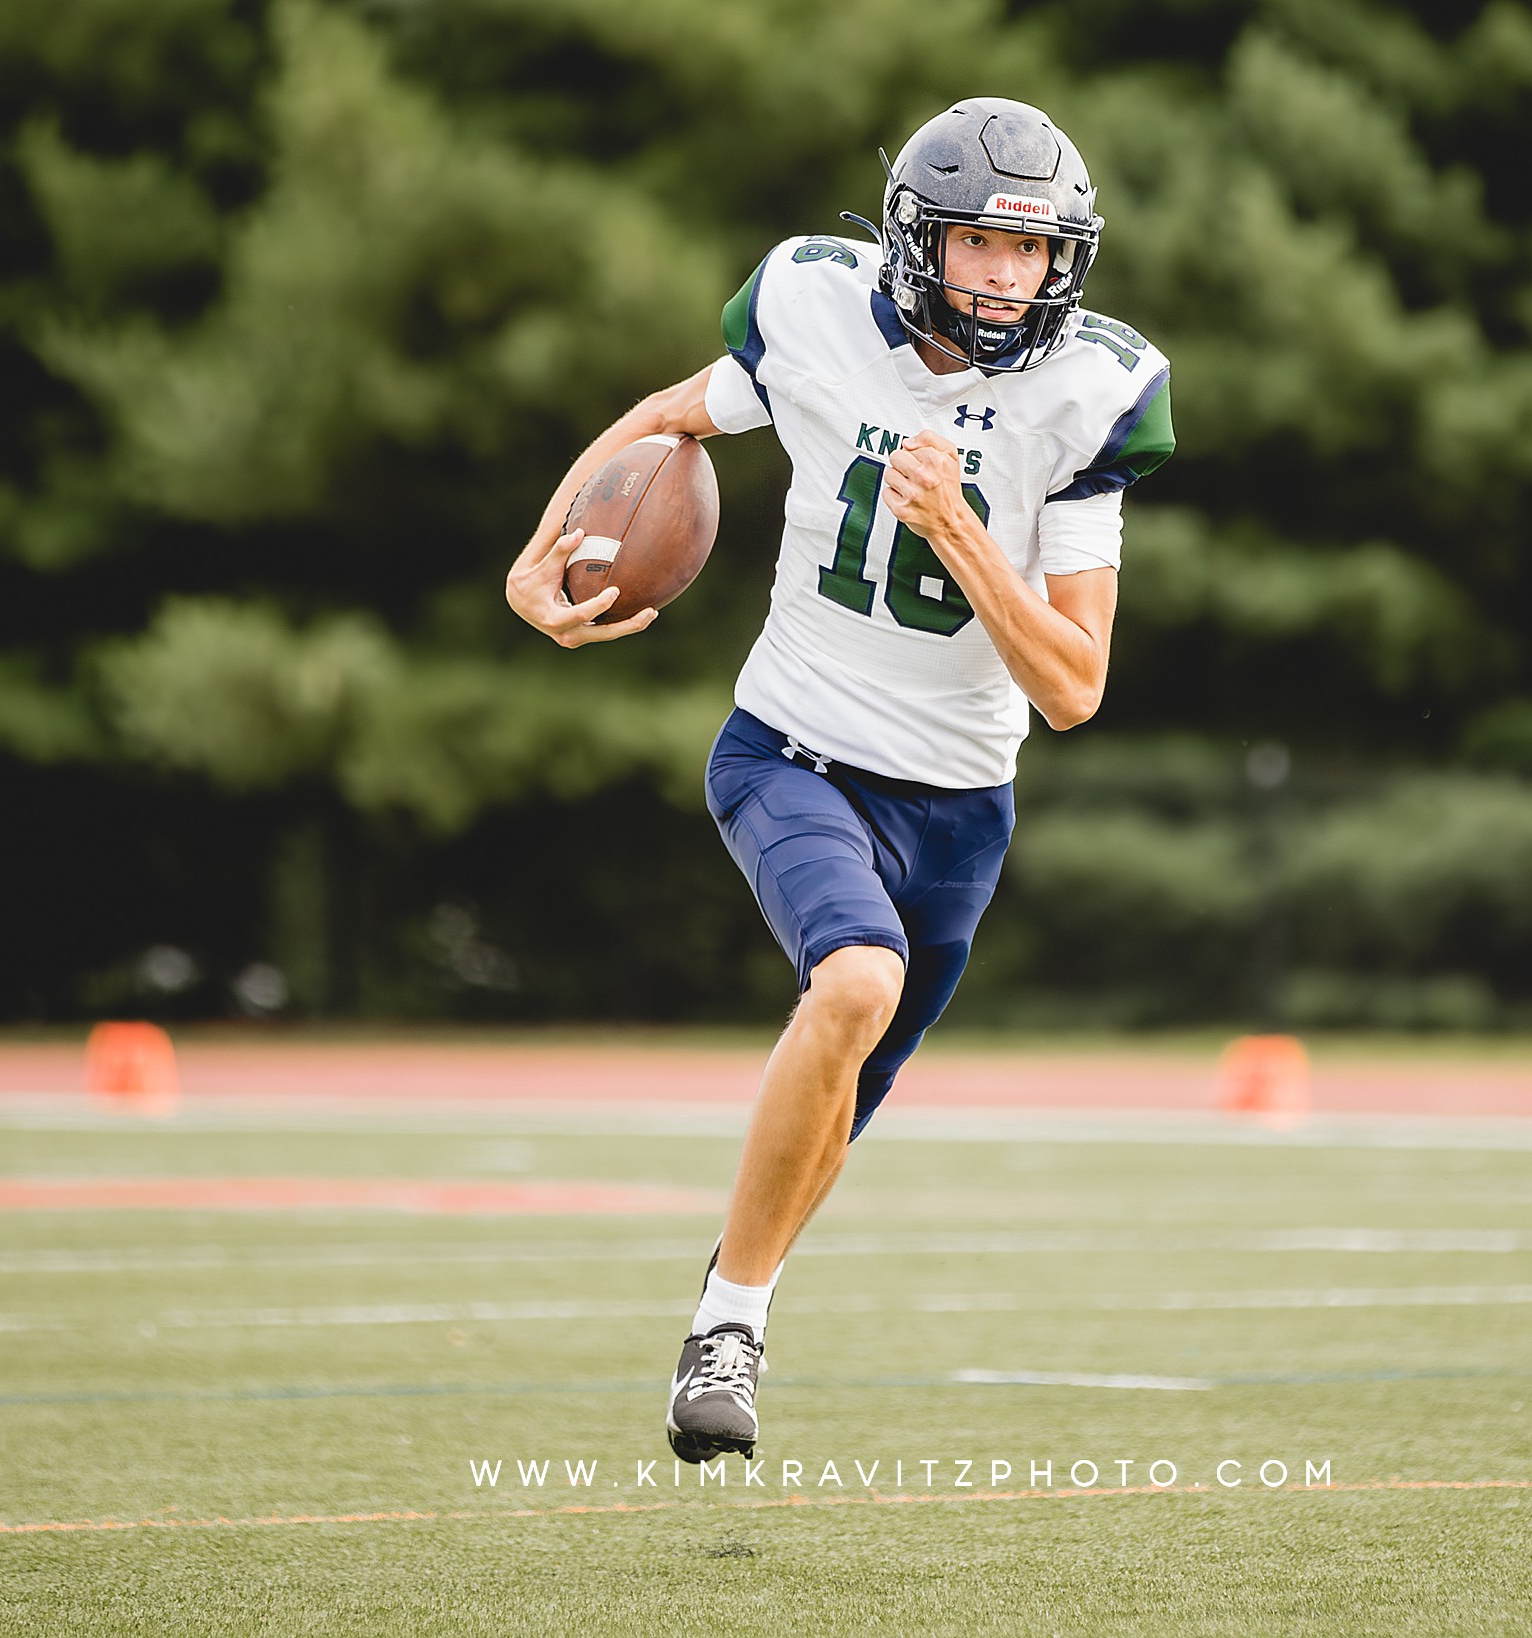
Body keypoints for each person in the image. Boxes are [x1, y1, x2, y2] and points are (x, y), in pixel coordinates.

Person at [504, 98, 1173, 1463]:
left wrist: (970, 539)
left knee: (838, 1115)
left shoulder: (1091, 390)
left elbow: (1074, 686)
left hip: (961, 813)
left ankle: (731, 1287)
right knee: (853, 981)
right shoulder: (813, 304)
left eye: (1035, 251)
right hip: (792, 752)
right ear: (922, 239)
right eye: (983, 242)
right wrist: (543, 545)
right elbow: (668, 419)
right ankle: (729, 1328)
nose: (1009, 275)